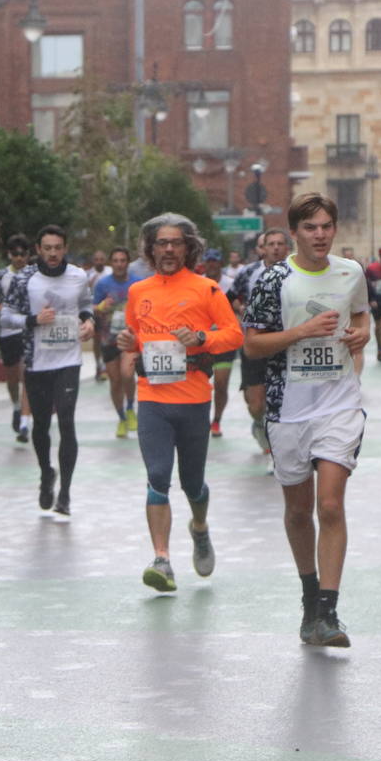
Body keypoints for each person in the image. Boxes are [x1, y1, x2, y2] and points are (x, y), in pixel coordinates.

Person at [243, 192, 369, 648]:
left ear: (335, 229)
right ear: (294, 232)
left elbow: (361, 316)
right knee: (299, 511)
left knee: (330, 504)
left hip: (338, 402)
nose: (320, 234)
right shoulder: (273, 279)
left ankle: (329, 613)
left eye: (326, 226)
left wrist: (361, 336)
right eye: (310, 227)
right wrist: (301, 332)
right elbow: (252, 345)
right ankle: (309, 597)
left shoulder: (351, 272)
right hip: (287, 408)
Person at [118, 213, 242, 592]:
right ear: (151, 249)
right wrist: (128, 348)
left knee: (192, 484)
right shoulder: (139, 291)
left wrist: (202, 338)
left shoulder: (206, 289)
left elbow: (234, 335)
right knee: (157, 477)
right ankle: (162, 559)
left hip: (192, 399)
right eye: (161, 243)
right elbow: (135, 340)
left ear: (188, 248)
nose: (168, 249)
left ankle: (200, 527)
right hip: (153, 398)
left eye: (176, 243)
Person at [0, 224, 94, 514]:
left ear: (65, 248)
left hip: (69, 360)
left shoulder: (78, 276)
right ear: (38, 250)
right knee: (41, 425)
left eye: (58, 248)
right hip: (37, 361)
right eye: (47, 248)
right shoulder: (24, 278)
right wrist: (33, 320)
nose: (53, 254)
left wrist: (89, 321)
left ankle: (65, 493)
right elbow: (5, 317)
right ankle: (46, 474)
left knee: (66, 421)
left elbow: (86, 304)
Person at [229, 228, 291, 453]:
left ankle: (277, 447)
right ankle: (258, 422)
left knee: (281, 401)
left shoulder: (296, 272)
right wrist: (242, 312)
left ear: (287, 248)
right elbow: (230, 299)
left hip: (285, 346)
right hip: (255, 344)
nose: (275, 248)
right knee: (256, 404)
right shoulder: (249, 273)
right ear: (262, 249)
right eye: (270, 244)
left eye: (279, 244)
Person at [0, 234, 34, 441]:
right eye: (15, 254)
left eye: (23, 254)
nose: (19, 258)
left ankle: (25, 421)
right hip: (7, 331)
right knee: (12, 375)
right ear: (9, 255)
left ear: (28, 255)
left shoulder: (34, 275)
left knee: (26, 374)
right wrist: (2, 309)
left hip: (28, 330)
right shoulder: (0, 276)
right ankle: (16, 406)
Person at [93, 247, 136, 438]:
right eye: (116, 261)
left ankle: (130, 408)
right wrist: (101, 306)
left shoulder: (137, 284)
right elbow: (93, 308)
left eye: (123, 260)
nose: (119, 264)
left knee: (127, 373)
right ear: (111, 264)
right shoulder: (102, 284)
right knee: (115, 381)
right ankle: (121, 418)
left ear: (128, 262)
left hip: (129, 338)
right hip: (108, 338)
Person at [200, 250, 236, 438]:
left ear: (220, 263)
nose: (212, 265)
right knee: (200, 383)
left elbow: (238, 309)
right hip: (202, 342)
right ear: (204, 263)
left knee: (221, 384)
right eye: (209, 261)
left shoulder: (230, 284)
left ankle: (217, 420)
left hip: (223, 342)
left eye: (215, 261)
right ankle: (201, 418)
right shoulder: (198, 283)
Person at [85, 249, 109, 381]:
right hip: (95, 311)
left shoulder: (110, 271)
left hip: (109, 312)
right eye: (96, 259)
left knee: (108, 339)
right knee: (97, 340)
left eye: (101, 259)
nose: (99, 262)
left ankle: (106, 366)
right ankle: (98, 365)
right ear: (93, 261)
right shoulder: (88, 275)